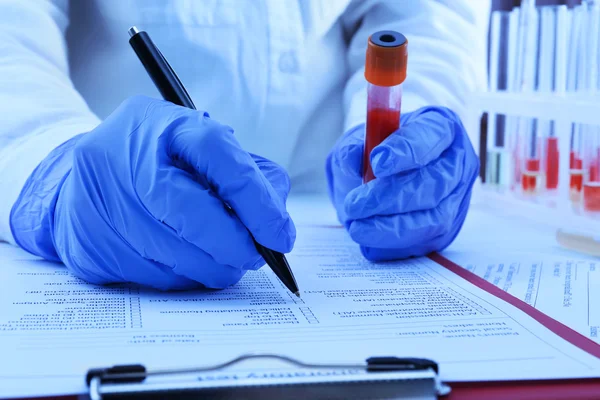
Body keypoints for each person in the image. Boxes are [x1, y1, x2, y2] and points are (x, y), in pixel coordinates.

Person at [0, 0, 489, 290]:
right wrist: (53, 175)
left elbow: (423, 14)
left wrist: (414, 123)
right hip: (114, 191)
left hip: (331, 206)